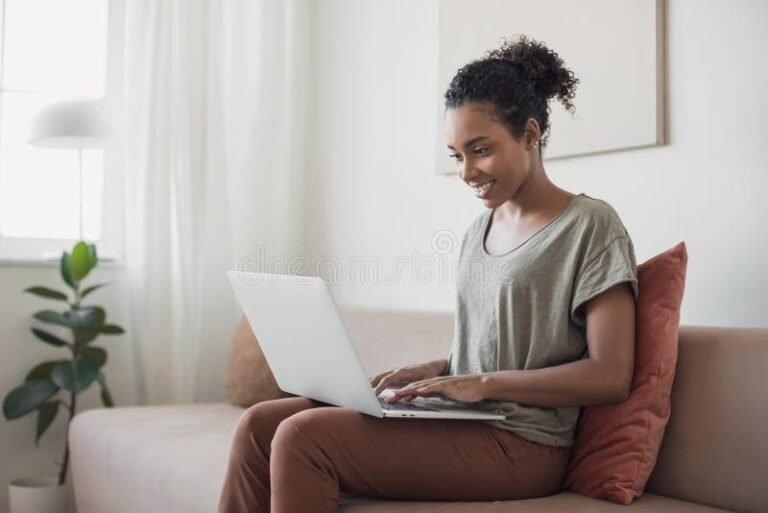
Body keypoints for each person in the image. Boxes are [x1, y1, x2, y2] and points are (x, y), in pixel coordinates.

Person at [217, 35, 638, 513]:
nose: (467, 172)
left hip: (524, 443)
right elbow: (496, 347)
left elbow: (610, 375)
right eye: (457, 155)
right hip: (464, 416)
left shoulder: (591, 226)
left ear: (529, 134)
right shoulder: (480, 229)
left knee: (302, 438)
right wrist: (438, 371)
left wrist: (484, 384)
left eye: (480, 149)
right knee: (257, 426)